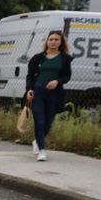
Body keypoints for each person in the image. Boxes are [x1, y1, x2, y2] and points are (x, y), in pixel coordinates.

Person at [24, 30, 72, 161]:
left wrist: (57, 81)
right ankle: (42, 150)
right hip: (38, 92)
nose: (53, 42)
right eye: (51, 39)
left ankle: (37, 141)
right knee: (39, 121)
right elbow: (29, 76)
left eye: (56, 39)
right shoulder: (37, 58)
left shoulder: (65, 59)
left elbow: (67, 76)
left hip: (54, 94)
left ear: (61, 42)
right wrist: (29, 89)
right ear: (47, 41)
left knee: (48, 122)